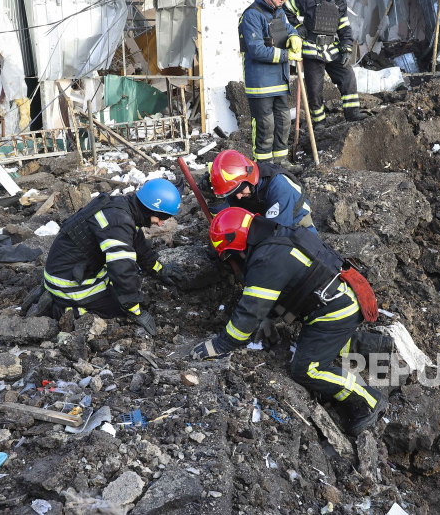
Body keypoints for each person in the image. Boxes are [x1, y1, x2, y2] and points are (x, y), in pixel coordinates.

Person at [190, 207, 392, 435]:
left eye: (230, 255)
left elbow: (249, 312)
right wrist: (268, 316)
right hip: (342, 297)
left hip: (336, 310)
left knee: (306, 369)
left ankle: (369, 402)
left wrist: (221, 345)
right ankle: (371, 345)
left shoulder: (266, 259)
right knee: (317, 339)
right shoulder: (277, 236)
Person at [42, 179, 183, 335]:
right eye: (161, 217)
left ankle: (59, 296)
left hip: (72, 266)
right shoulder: (119, 222)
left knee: (128, 281)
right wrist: (134, 310)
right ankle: (65, 310)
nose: (161, 224)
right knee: (118, 309)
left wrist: (158, 269)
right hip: (66, 281)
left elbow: (139, 245)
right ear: (149, 209)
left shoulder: (124, 208)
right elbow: (122, 269)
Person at [284, 0, 367, 128]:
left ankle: (352, 113)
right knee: (314, 90)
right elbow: (287, 8)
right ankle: (319, 122)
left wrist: (346, 47)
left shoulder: (340, 3)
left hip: (332, 50)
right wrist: (296, 26)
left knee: (348, 76)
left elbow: (344, 28)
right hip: (311, 51)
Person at [238, 0, 304, 173]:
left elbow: (288, 30)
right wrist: (287, 56)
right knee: (265, 125)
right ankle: (264, 167)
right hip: (260, 83)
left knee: (283, 121)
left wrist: (294, 37)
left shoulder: (279, 12)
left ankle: (281, 162)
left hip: (279, 80)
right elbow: (257, 50)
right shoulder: (251, 16)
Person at [201, 150, 316, 233]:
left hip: (297, 233)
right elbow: (227, 220)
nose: (239, 197)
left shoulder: (279, 187)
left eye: (240, 191)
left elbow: (276, 234)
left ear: (250, 180)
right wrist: (216, 202)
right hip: (266, 225)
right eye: (233, 193)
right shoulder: (237, 186)